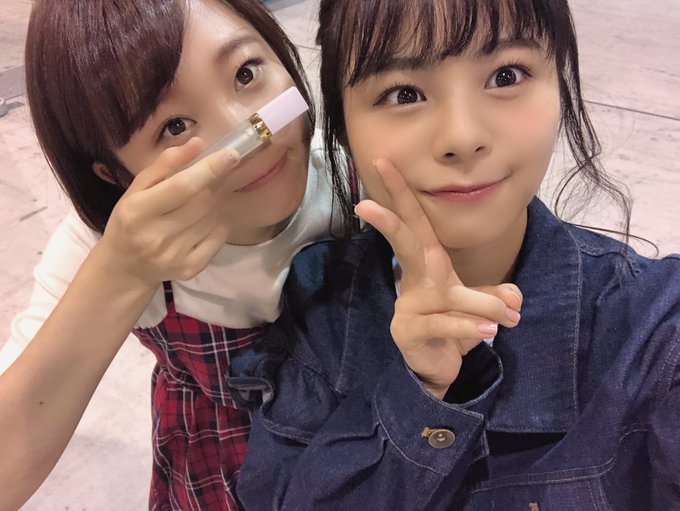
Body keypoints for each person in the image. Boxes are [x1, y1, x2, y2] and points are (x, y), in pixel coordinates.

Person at [230, 0, 680, 509]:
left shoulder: (654, 331)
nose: (462, 138)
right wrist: (419, 394)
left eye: (506, 75)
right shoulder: (318, 305)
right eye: (404, 93)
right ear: (343, 127)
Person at [0, 0, 337, 509]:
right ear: (116, 174)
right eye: (175, 126)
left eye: (246, 73)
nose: (250, 136)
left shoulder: (354, 170)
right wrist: (121, 272)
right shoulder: (106, 244)